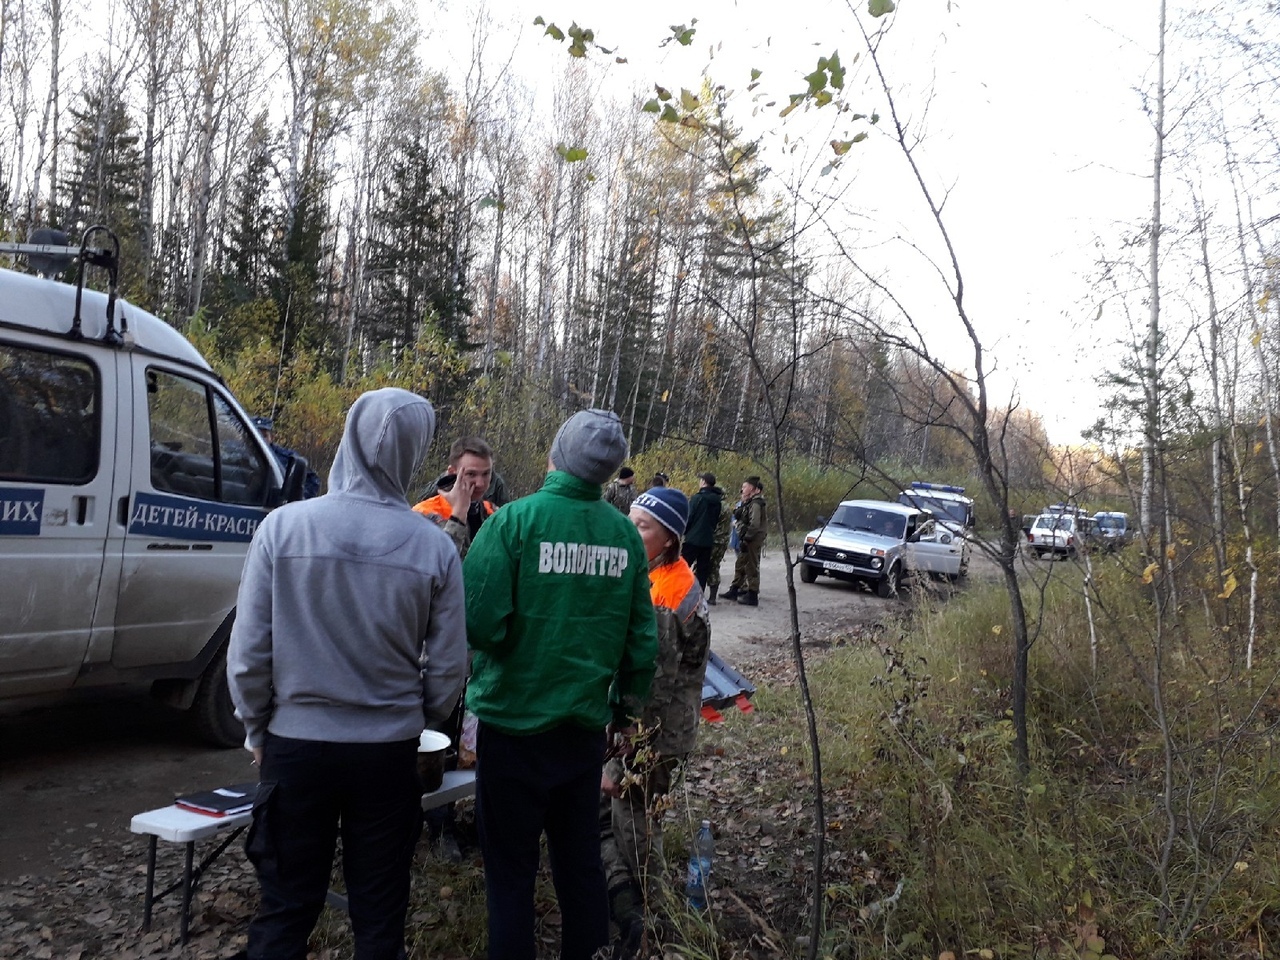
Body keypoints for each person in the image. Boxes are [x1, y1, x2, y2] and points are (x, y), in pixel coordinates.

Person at [227, 388, 469, 960]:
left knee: (285, 909)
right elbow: (450, 665)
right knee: (379, 914)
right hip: (387, 754)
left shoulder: (283, 530)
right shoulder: (432, 547)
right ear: (414, 454)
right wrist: (421, 720)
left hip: (296, 749)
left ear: (347, 439)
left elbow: (248, 654)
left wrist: (257, 730)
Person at [463, 409, 659, 960]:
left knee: (510, 876)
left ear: (558, 455)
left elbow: (478, 623)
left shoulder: (512, 523)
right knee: (579, 865)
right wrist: (624, 712)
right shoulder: (624, 535)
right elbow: (641, 642)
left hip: (509, 728)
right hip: (581, 735)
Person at [601, 486, 710, 958]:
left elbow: (651, 686)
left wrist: (621, 749)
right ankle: (640, 902)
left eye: (642, 525)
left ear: (669, 540)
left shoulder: (667, 593)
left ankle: (651, 912)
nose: (630, 528)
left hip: (655, 734)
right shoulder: (653, 575)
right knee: (633, 813)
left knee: (636, 817)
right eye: (630, 517)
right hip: (658, 727)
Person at [413, 436, 498, 558]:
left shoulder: (493, 513)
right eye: (471, 474)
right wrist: (459, 514)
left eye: (486, 473)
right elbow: (438, 566)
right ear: (452, 473)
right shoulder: (424, 514)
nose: (480, 483)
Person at [252, 415, 321, 498]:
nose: (260, 439)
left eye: (264, 436)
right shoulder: (240, 454)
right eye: (256, 435)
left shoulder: (286, 457)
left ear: (272, 437)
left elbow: (313, 480)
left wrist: (297, 500)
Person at [723, 476, 767, 607]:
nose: (742, 489)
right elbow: (739, 514)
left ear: (753, 489)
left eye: (745, 487)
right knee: (741, 563)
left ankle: (752, 595)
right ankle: (735, 589)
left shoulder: (756, 503)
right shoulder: (749, 502)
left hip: (752, 539)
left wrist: (747, 537)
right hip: (748, 538)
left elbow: (754, 524)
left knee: (751, 566)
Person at [680, 472, 722, 591]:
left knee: (683, 567)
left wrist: (684, 532)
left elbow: (689, 517)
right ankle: (699, 595)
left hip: (693, 539)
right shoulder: (717, 501)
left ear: (703, 482)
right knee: (703, 570)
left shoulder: (697, 498)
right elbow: (715, 520)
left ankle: (681, 592)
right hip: (708, 539)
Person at [705, 482, 733, 605]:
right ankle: (712, 597)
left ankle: (697, 596)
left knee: (703, 566)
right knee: (715, 567)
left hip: (715, 540)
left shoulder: (718, 506)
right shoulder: (727, 506)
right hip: (723, 540)